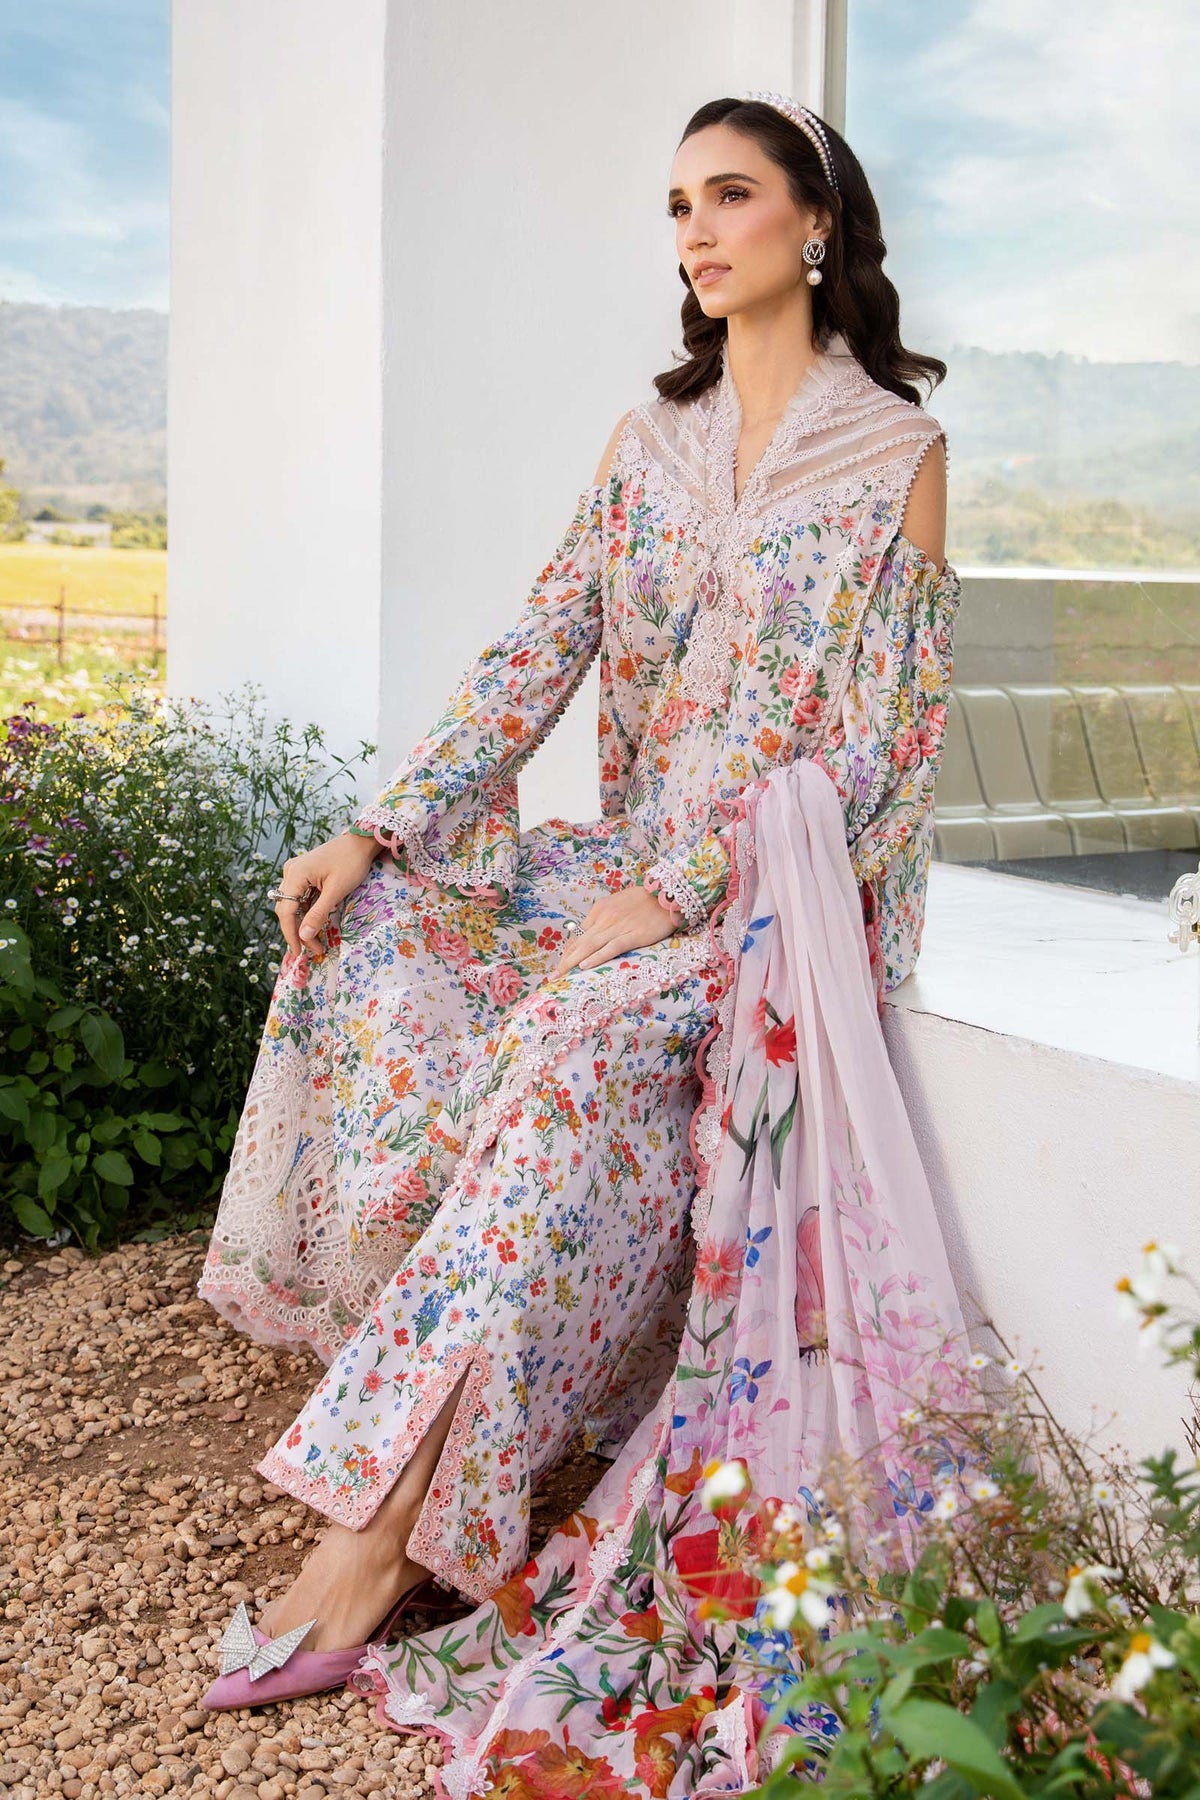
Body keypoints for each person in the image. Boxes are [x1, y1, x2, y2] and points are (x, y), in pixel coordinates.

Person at [196, 90, 975, 1790]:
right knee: (387, 927)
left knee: (571, 1041)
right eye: (678, 206)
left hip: (760, 905)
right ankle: (414, 1379)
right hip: (619, 868)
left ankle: (380, 1535)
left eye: (731, 196)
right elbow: (534, 650)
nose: (695, 233)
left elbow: (881, 750)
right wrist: (379, 824)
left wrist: (686, 889)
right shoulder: (650, 442)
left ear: (817, 224)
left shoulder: (897, 462)